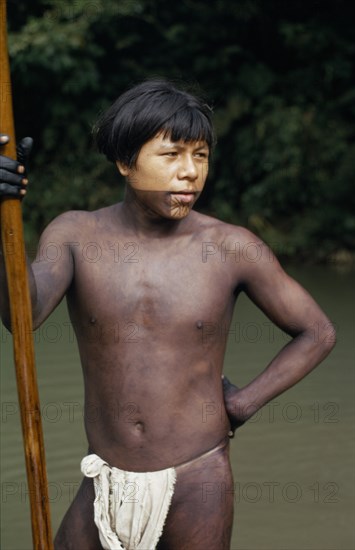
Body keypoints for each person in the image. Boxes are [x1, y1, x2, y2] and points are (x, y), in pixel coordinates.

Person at [0, 79, 336, 550]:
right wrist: (1, 221)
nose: (190, 172)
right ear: (125, 161)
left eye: (200, 156)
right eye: (172, 155)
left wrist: (243, 404)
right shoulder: (76, 234)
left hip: (198, 477)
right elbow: (21, 316)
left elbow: (316, 332)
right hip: (105, 475)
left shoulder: (230, 247)